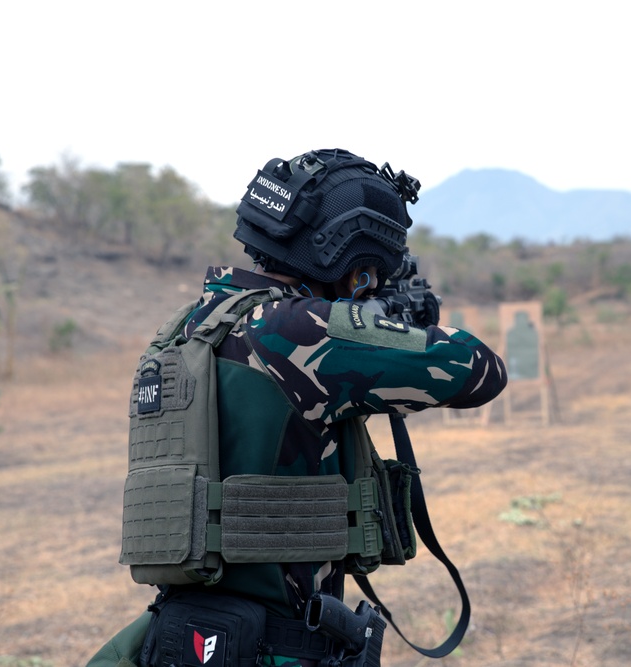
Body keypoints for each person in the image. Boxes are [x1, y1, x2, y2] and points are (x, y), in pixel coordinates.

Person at [88, 148, 507, 667]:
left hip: (187, 635)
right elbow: (481, 370)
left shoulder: (188, 328)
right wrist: (385, 322)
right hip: (278, 647)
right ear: (354, 265)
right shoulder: (293, 331)